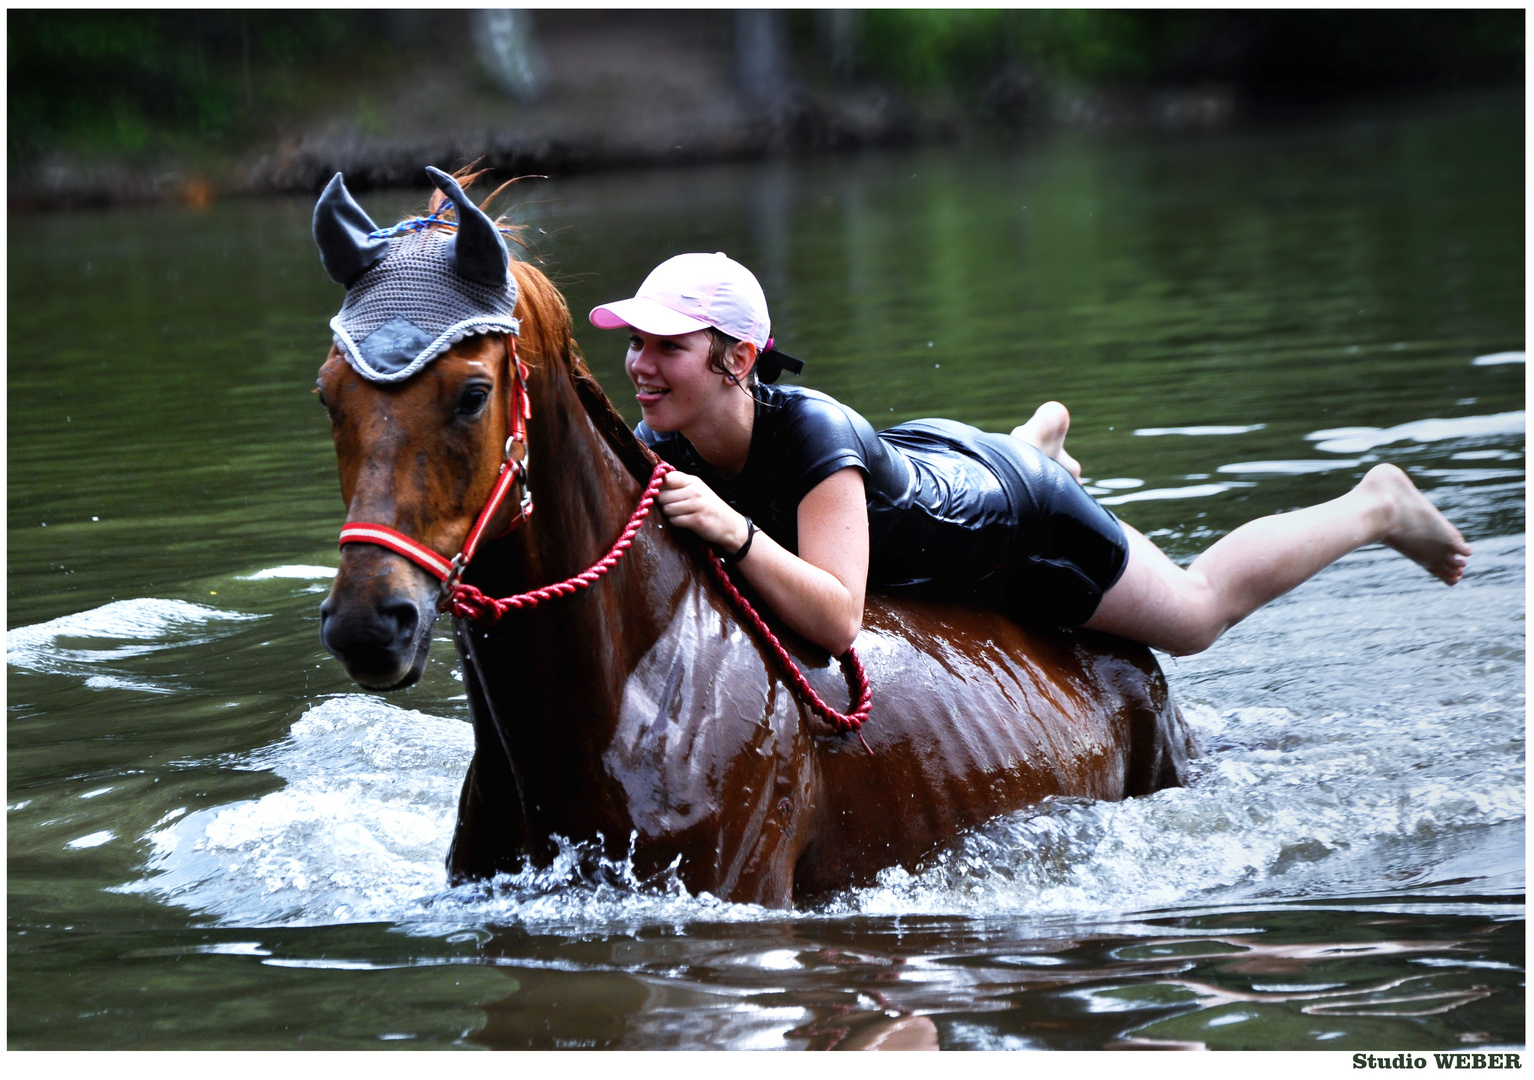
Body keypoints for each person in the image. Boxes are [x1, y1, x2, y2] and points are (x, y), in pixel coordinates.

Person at [589, 252, 1471, 658]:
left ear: (737, 359)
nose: (638, 363)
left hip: (1018, 526)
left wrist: (735, 535)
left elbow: (837, 621)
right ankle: (1030, 441)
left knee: (1197, 618)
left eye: (665, 345)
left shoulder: (811, 437)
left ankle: (1375, 505)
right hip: (930, 468)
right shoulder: (662, 438)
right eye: (634, 342)